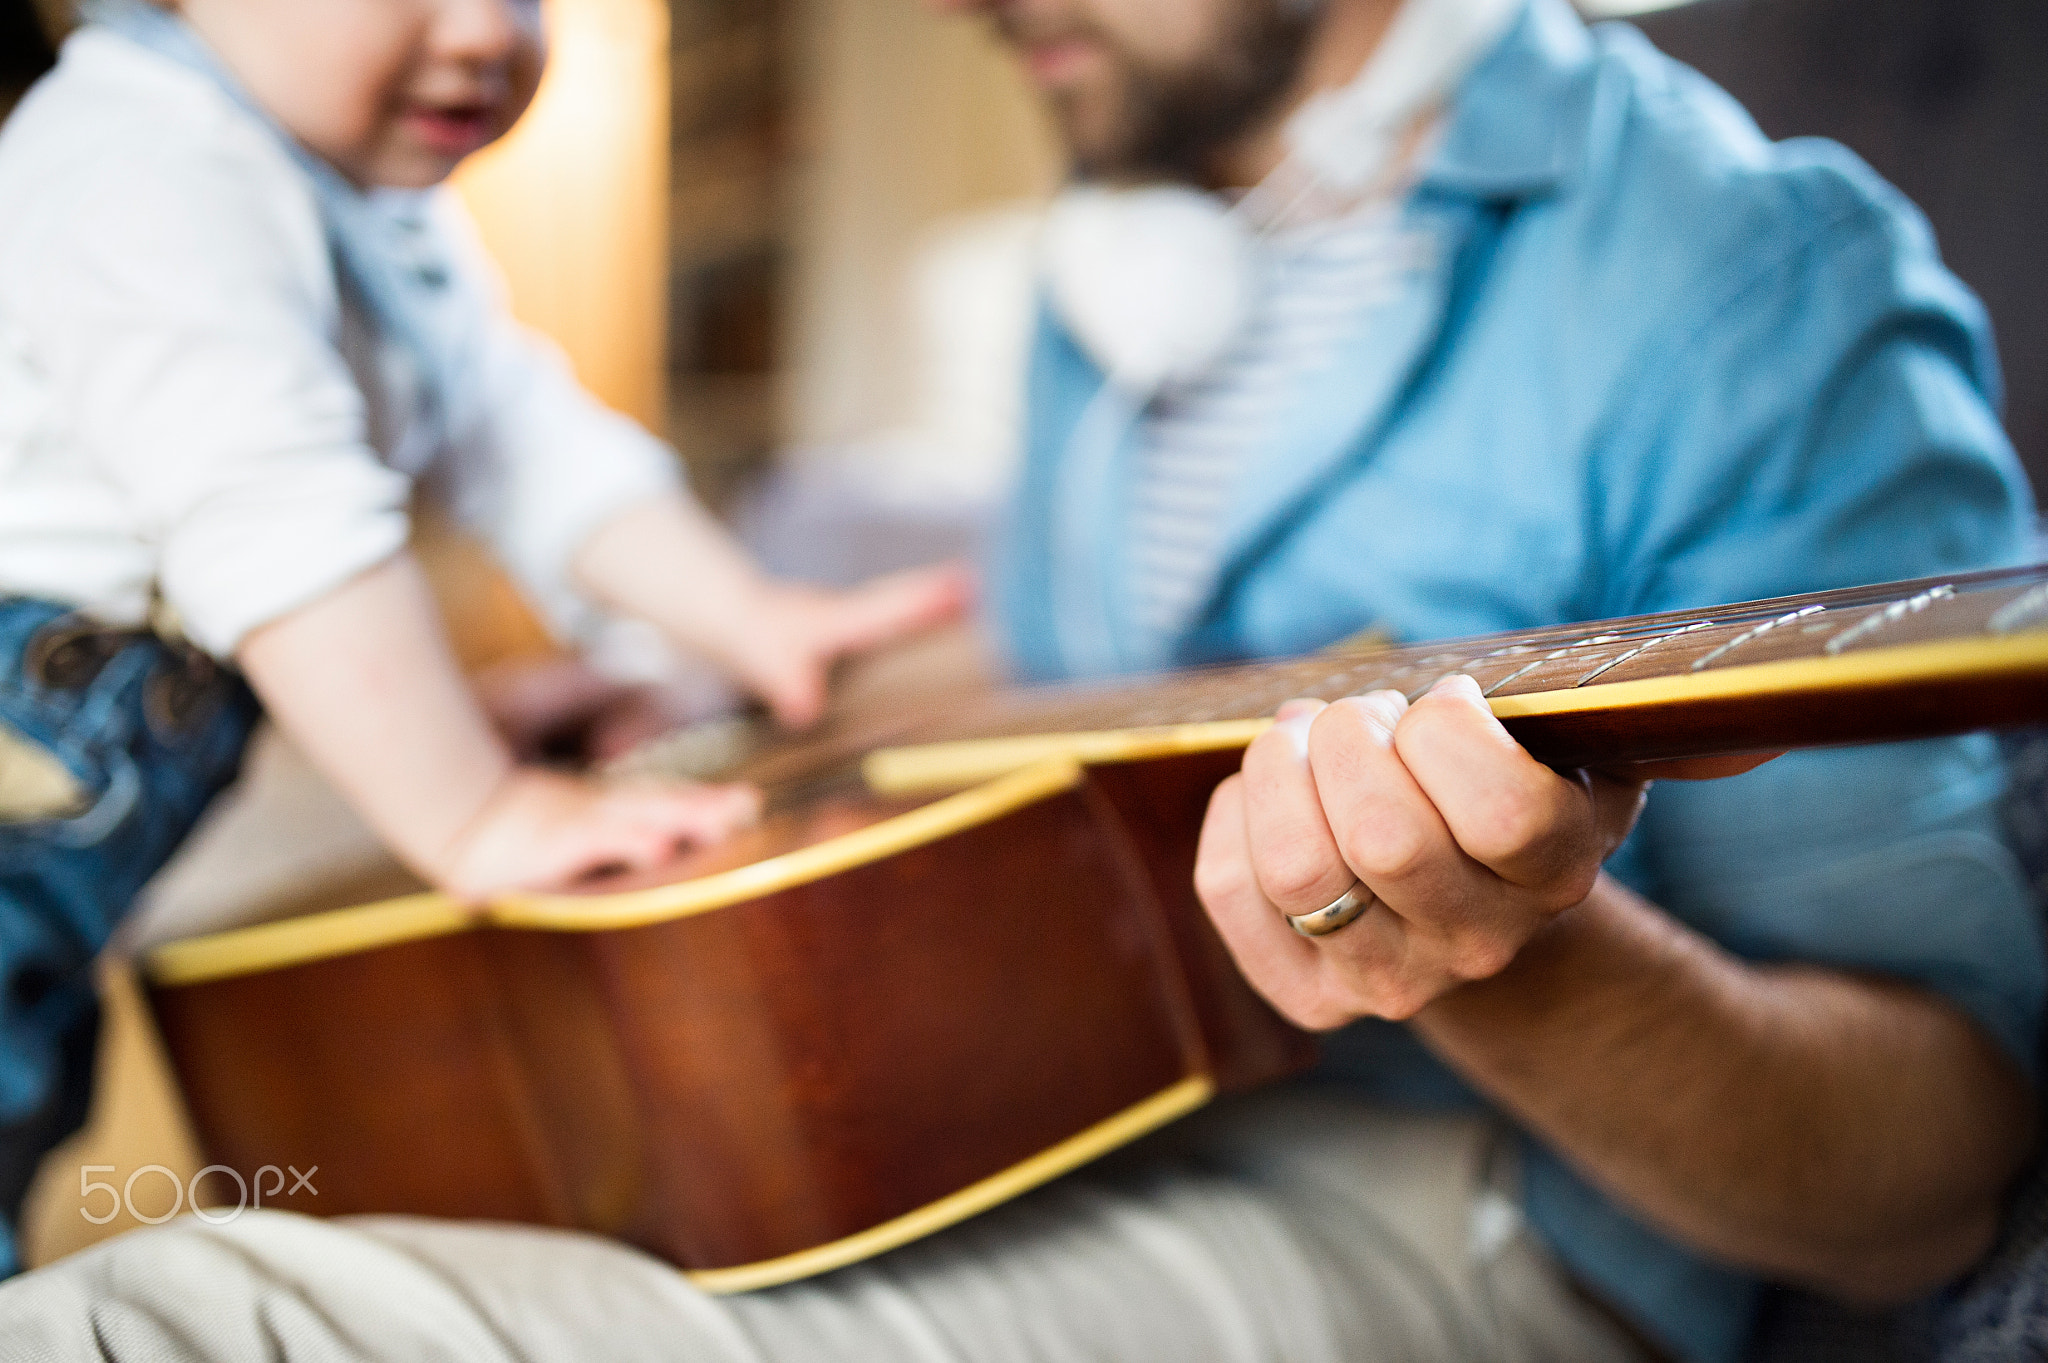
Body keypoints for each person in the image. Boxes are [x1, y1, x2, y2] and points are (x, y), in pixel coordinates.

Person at [0, 0, 2039, 1360]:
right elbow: (1120, 706)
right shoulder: (1133, 229)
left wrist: (1499, 951)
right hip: (1020, 1099)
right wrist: (746, 719)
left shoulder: (1745, 280)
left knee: (167, 1321)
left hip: (1482, 1200)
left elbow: (1936, 1184)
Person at [0, 0, 965, 1279]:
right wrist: (475, 811)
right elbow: (278, 523)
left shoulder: (370, 211)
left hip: (65, 847)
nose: (483, 33)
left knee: (28, 1093)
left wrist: (745, 614)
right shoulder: (144, 164)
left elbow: (529, 445)